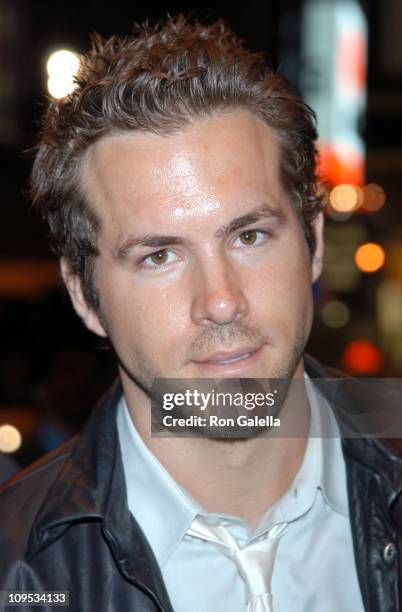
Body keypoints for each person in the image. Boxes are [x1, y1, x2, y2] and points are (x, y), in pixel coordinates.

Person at [0, 14, 400, 612]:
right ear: (85, 296)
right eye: (160, 255)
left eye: (250, 237)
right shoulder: (16, 571)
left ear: (312, 243)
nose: (220, 301)